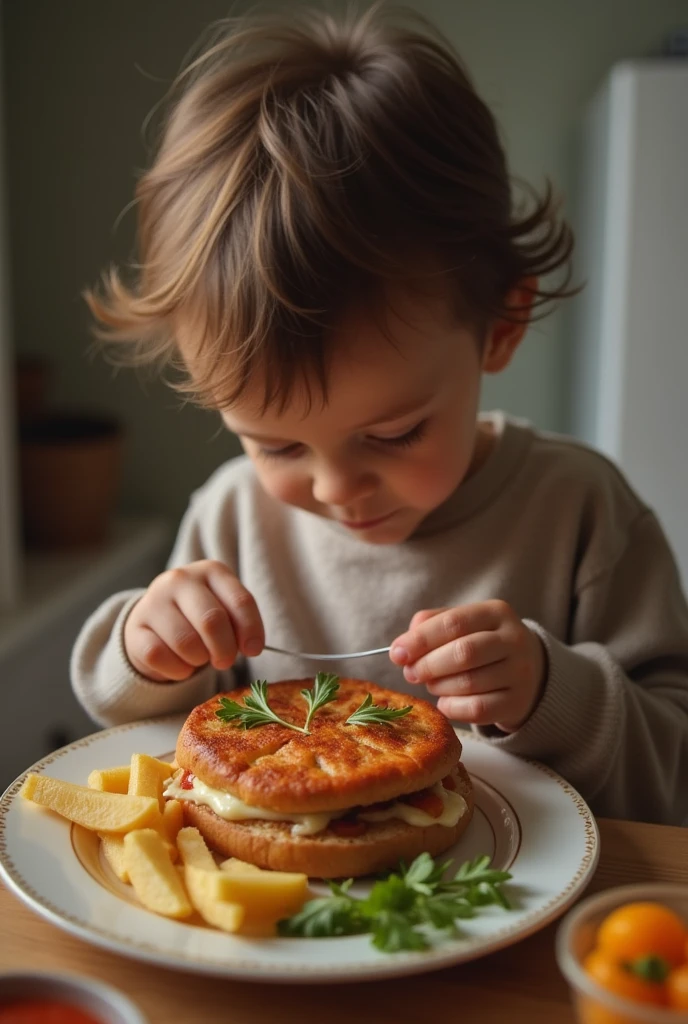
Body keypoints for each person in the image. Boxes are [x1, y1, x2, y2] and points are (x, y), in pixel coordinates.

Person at [71, 6, 688, 825]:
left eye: (394, 434)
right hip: (283, 941)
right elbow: (163, 749)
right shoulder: (231, 518)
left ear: (499, 326)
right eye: (277, 444)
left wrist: (554, 691)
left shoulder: (581, 512)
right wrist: (148, 653)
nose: (336, 489)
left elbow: (675, 777)